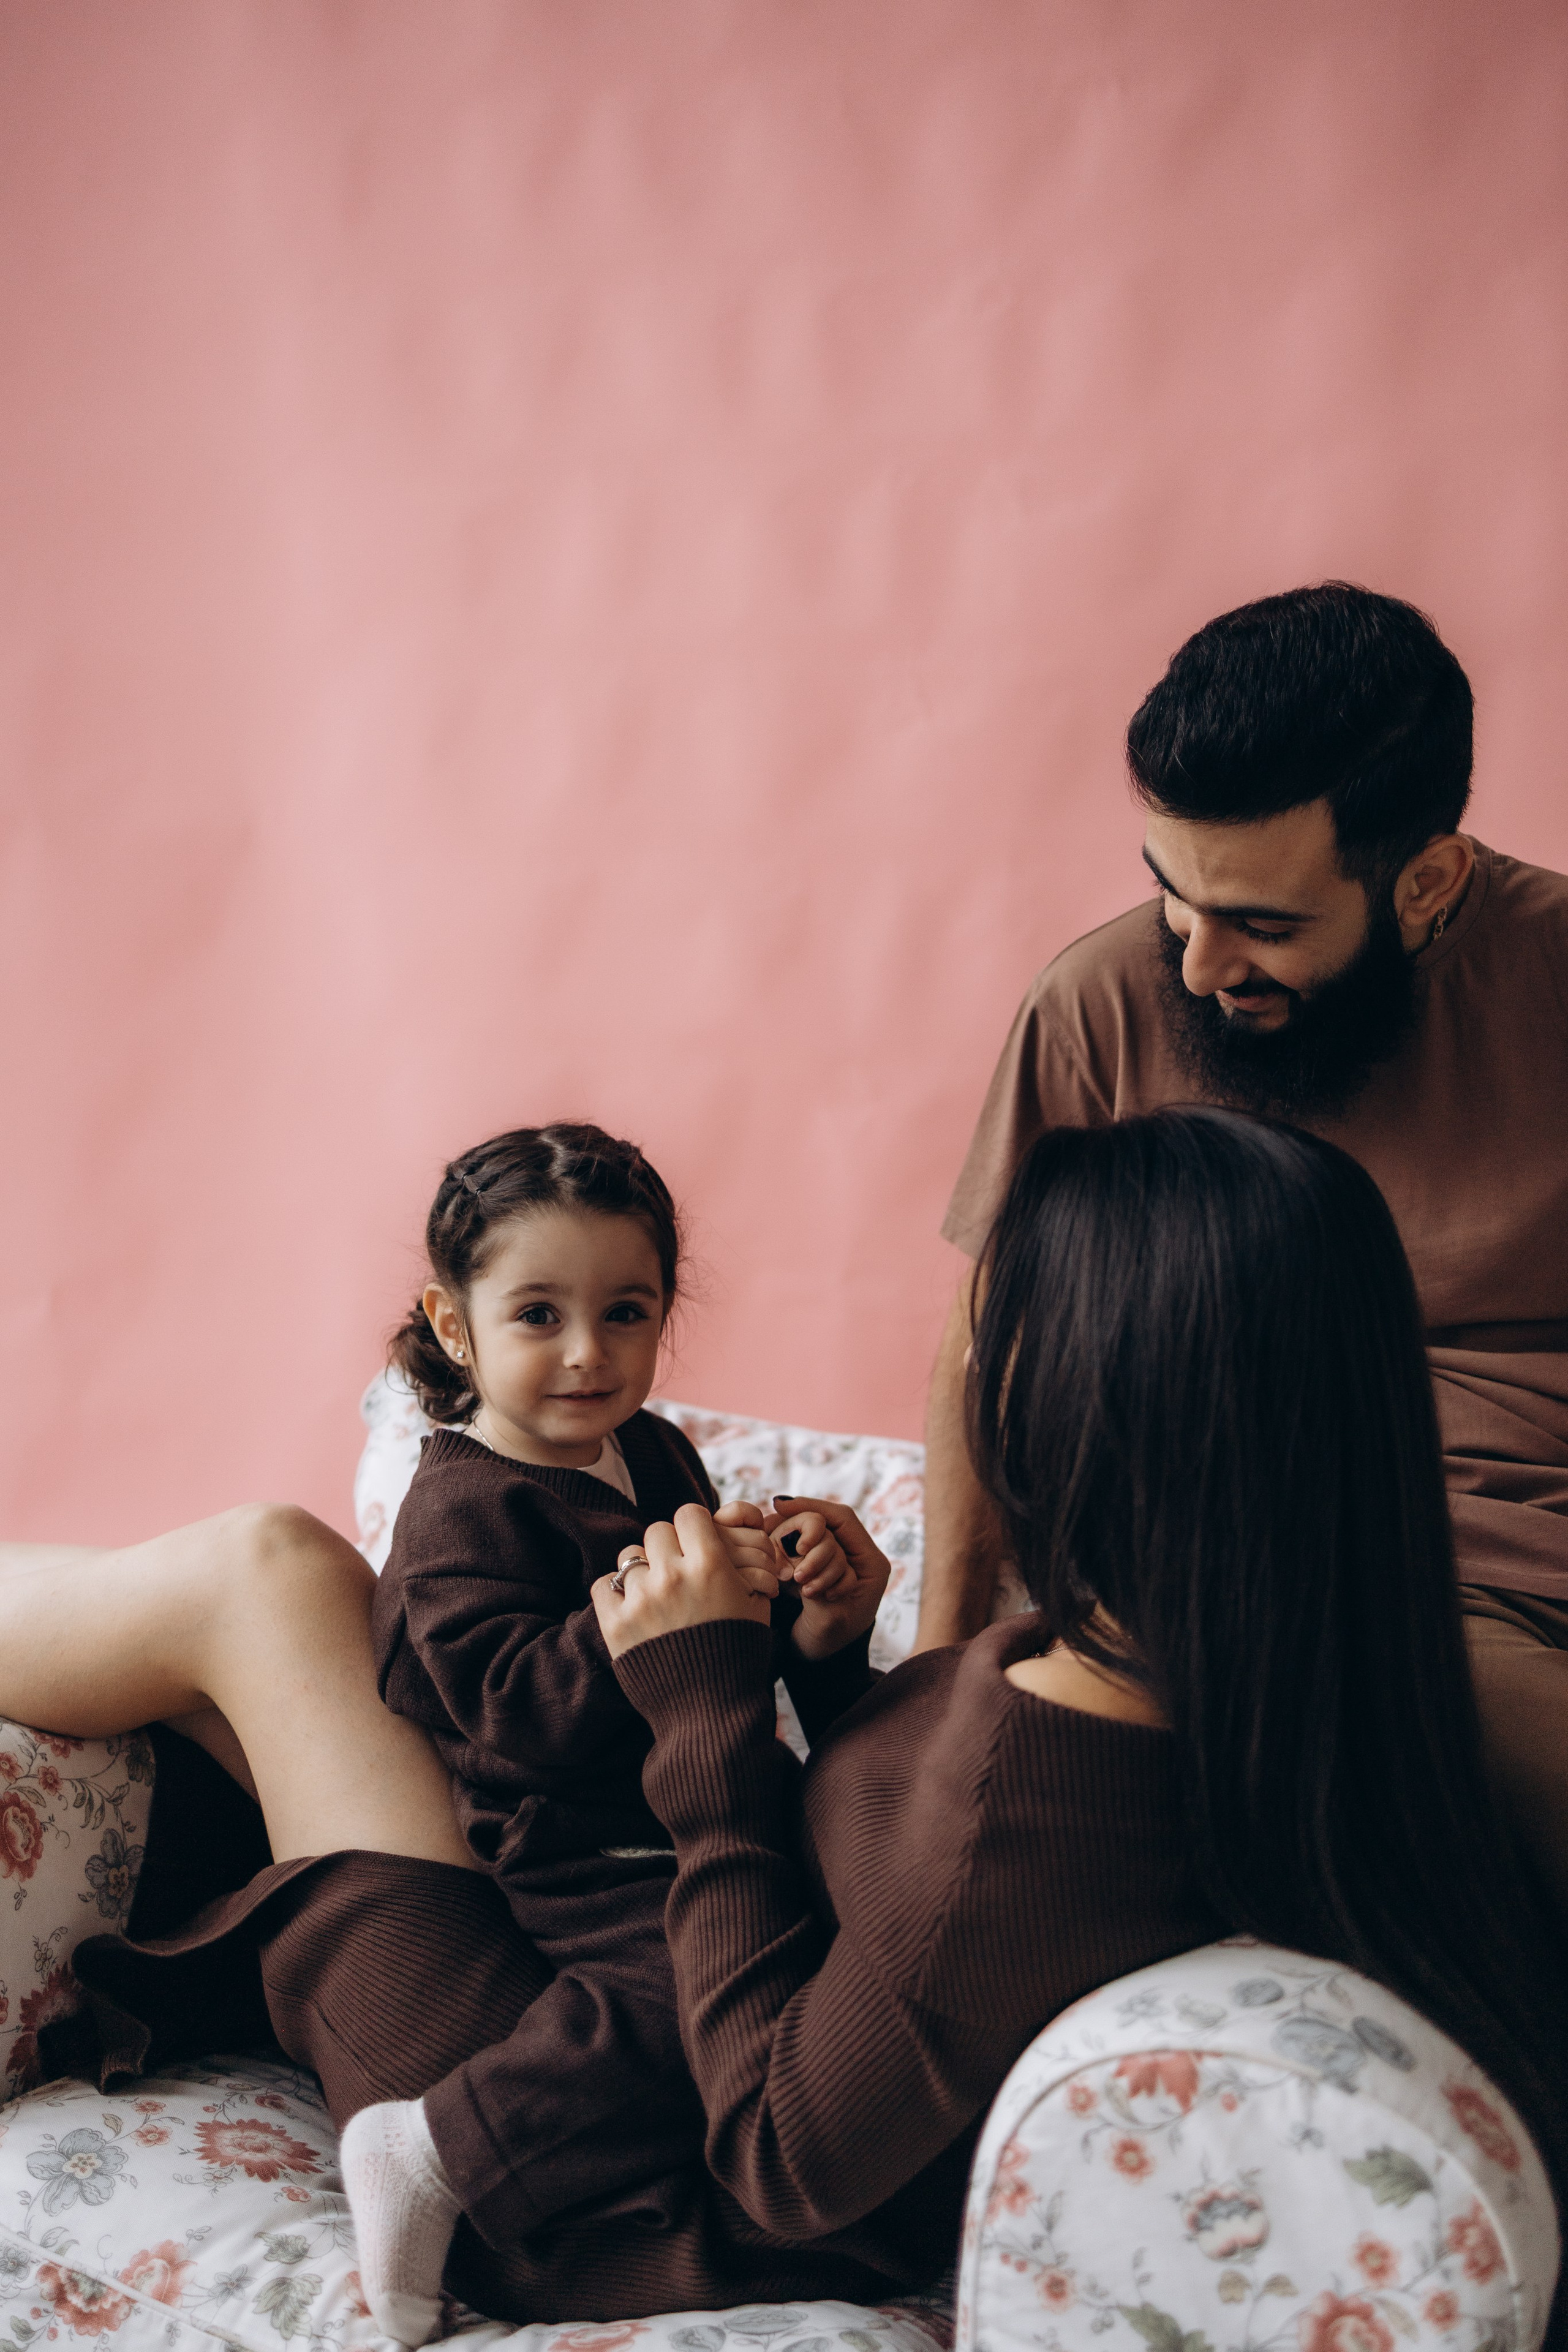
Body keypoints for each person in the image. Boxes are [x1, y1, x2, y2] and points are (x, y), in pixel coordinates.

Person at [0, 1111, 1562, 2339]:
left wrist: (701, 1704)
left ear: (1088, 1408)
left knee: (261, 1578)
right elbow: (889, 1859)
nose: (963, 1372)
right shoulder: (1252, 1656)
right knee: (266, 1610)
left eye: (990, 1333)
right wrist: (823, 1654)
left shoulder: (1042, 1797)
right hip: (618, 1912)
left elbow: (779, 2140)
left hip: (561, 2146)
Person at [918, 583, 1568, 1917]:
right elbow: (992, 1341)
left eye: (1265, 925)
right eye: (1173, 895)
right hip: (1184, 1568)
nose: (1199, 961)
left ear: (1427, 879)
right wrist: (935, 1667)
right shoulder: (1097, 1001)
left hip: (1487, 1582)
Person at [350, 1122, 864, 2344]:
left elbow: (723, 1660)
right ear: (455, 1321)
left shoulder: (650, 1447)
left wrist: (798, 1605)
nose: (588, 1356)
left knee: (841, 1954)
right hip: (584, 1851)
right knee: (681, 2003)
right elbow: (506, 1715)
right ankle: (433, 2149)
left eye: (625, 1311)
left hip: (721, 1799)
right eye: (538, 1315)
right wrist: (640, 1617)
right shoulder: (458, 1511)